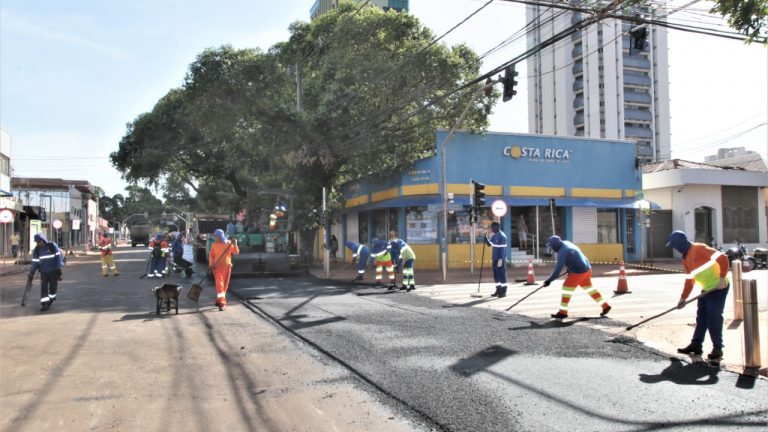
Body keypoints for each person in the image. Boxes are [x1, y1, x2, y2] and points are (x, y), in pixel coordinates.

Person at [667, 230, 730, 360]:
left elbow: (723, 258)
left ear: (680, 243)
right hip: (706, 289)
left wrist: (722, 277)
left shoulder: (699, 248)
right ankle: (696, 345)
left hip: (718, 287)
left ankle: (718, 348)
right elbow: (690, 280)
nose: (675, 248)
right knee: (701, 318)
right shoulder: (686, 258)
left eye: (675, 245)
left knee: (714, 317)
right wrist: (683, 298)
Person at [543, 235, 611, 319]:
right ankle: (605, 306)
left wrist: (549, 281)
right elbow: (576, 256)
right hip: (587, 269)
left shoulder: (562, 252)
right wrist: (570, 268)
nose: (552, 249)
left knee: (566, 289)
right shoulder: (567, 243)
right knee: (589, 289)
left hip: (578, 272)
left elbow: (557, 270)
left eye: (552, 247)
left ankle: (562, 312)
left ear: (555, 245)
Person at [29, 233, 64, 311]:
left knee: (53, 288)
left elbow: (58, 258)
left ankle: (51, 299)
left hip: (53, 271)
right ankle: (44, 304)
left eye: (39, 241)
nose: (38, 243)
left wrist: (59, 271)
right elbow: (35, 262)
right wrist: (32, 272)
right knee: (43, 288)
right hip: (43, 272)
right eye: (37, 242)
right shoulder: (37, 250)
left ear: (43, 240)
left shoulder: (52, 245)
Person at [208, 229, 239, 311]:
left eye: (216, 236)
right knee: (219, 285)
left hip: (226, 267)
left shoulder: (228, 243)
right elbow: (211, 256)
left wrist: (235, 244)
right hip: (216, 268)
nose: (215, 238)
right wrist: (211, 265)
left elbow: (236, 252)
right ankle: (222, 303)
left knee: (224, 286)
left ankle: (219, 300)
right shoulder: (214, 245)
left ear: (220, 236)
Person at [484, 221, 508, 298]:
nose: (491, 229)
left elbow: (502, 249)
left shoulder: (502, 236)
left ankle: (504, 291)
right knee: (496, 275)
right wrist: (485, 238)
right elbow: (490, 244)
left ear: (497, 227)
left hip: (500, 259)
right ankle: (498, 289)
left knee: (502, 274)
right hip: (494, 258)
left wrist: (500, 259)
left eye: (492, 227)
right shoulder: (494, 236)